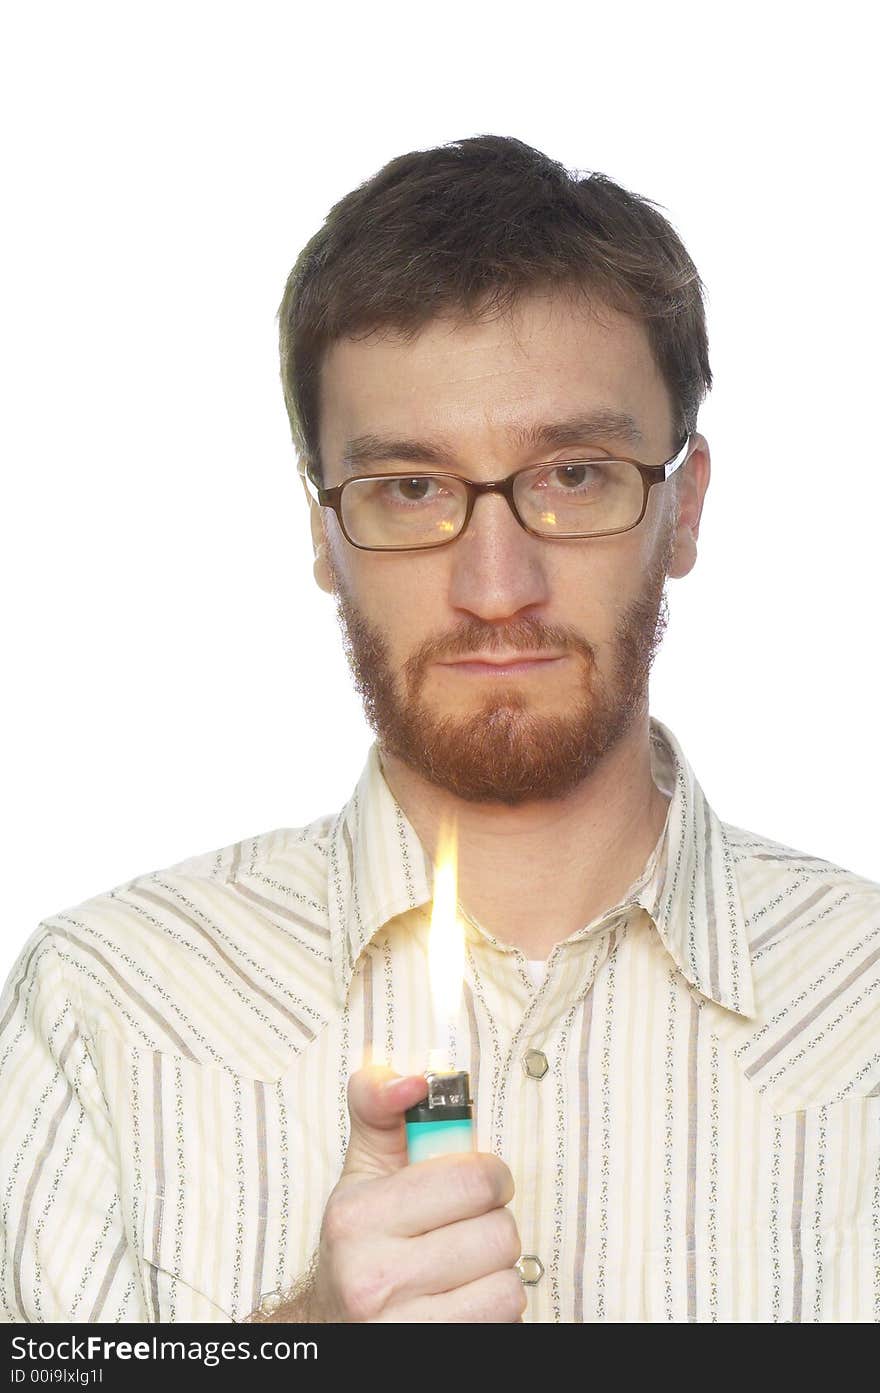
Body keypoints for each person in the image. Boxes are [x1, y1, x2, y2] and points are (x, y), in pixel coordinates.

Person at [1, 135, 878, 1327]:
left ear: (681, 510)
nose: (495, 583)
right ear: (321, 531)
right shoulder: (104, 1008)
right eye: (410, 487)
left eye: (572, 473)